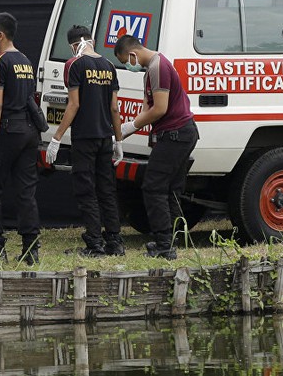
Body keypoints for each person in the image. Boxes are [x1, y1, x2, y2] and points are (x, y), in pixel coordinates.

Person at [114, 34, 198, 260]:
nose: (127, 66)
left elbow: (159, 109)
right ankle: (170, 240)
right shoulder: (151, 69)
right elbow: (147, 108)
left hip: (177, 133)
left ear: (133, 54)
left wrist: (128, 126)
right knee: (169, 189)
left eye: (125, 61)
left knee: (153, 187)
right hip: (179, 133)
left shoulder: (157, 67)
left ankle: (164, 244)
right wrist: (123, 135)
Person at [46, 25, 126, 257]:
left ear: (73, 45)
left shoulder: (74, 64)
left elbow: (74, 104)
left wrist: (56, 137)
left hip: (84, 138)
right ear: (91, 40)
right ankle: (115, 241)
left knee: (85, 190)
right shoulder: (109, 66)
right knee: (107, 190)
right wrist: (118, 140)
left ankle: (95, 243)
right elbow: (114, 107)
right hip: (105, 137)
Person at [0, 12, 41, 264]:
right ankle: (31, 249)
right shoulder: (24, 59)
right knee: (26, 190)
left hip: (8, 130)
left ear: (0, 35)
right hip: (29, 131)